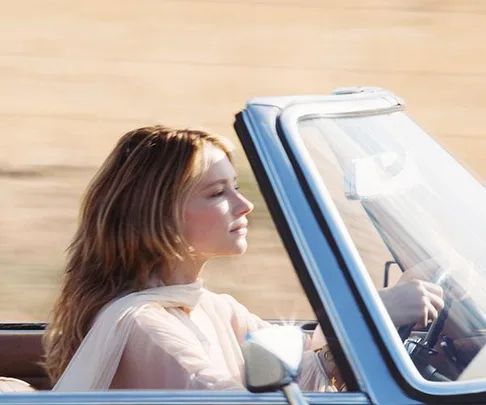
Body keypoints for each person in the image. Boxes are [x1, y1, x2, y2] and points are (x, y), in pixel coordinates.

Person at [42, 125, 444, 392]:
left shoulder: (215, 309)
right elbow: (237, 403)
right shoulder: (143, 325)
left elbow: (300, 349)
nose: (245, 205)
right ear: (158, 215)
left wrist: (376, 308)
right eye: (217, 193)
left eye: (235, 188)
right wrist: (364, 323)